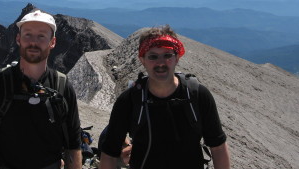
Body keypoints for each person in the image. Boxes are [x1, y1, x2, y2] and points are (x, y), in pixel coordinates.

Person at [99, 25, 230, 169]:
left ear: (177, 58)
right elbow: (110, 153)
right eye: (153, 56)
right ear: (142, 60)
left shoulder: (198, 95)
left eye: (167, 55)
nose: (160, 63)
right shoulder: (129, 100)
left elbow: (218, 147)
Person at [0, 9, 82, 169]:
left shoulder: (63, 87)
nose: (33, 42)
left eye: (41, 36)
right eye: (27, 34)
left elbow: (73, 142)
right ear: (18, 39)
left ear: (53, 42)